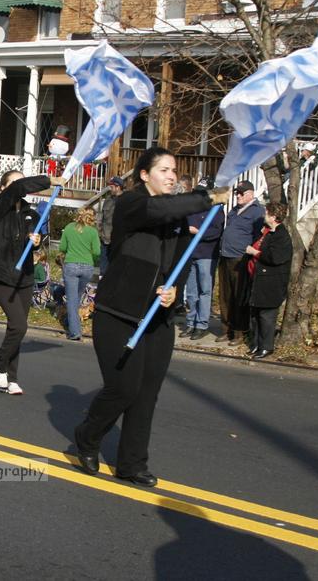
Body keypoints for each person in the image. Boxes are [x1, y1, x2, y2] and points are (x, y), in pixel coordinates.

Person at [73, 147, 228, 487]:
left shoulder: (176, 217)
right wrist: (208, 197)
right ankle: (87, 436)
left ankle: (132, 463)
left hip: (158, 318)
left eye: (175, 170)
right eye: (164, 170)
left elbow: (181, 261)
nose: (172, 175)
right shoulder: (131, 204)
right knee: (124, 388)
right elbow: (157, 209)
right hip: (119, 313)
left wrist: (174, 292)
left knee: (146, 393)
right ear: (144, 175)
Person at [0, 170, 61, 395]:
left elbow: (35, 240)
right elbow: (18, 188)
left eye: (21, 181)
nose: (20, 186)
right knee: (20, 326)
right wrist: (49, 181)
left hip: (25, 276)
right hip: (3, 275)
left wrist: (36, 241)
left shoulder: (31, 214)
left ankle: (12, 378)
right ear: (3, 188)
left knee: (15, 330)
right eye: (14, 183)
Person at [216, 180, 265, 346]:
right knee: (225, 295)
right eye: (237, 193)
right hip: (225, 256)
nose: (238, 196)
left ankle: (239, 332)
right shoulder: (234, 210)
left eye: (241, 193)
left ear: (250, 194)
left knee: (239, 296)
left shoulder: (257, 211)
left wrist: (251, 253)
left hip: (240, 258)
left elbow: (258, 237)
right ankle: (226, 329)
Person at [245, 202, 293, 358]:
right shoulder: (267, 233)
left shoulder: (282, 236)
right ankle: (256, 343)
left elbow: (274, 257)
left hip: (272, 283)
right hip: (259, 280)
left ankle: (266, 346)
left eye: (266, 213)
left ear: (273, 217)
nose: (264, 216)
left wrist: (255, 252)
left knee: (266, 316)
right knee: (255, 314)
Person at [183, 201, 225, 340]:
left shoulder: (216, 210)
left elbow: (216, 231)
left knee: (205, 291)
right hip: (191, 254)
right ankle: (191, 322)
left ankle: (201, 324)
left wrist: (199, 232)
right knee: (191, 291)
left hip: (207, 255)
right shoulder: (192, 208)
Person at [59, 207, 101, 341]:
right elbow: (97, 252)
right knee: (76, 297)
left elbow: (62, 248)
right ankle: (70, 322)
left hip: (71, 265)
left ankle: (75, 331)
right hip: (87, 267)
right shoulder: (93, 232)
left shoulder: (69, 228)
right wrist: (92, 260)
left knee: (72, 299)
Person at [97, 176, 124, 276]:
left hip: (118, 241)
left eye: (112, 187)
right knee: (103, 270)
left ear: (118, 187)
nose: (110, 189)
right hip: (105, 240)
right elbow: (101, 217)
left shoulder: (125, 201)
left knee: (115, 268)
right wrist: (100, 232)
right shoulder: (108, 200)